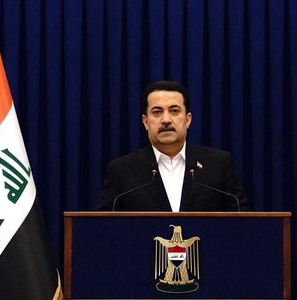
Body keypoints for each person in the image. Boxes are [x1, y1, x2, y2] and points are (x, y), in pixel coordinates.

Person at [97, 80, 248, 211]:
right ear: (146, 122)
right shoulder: (121, 170)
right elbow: (105, 227)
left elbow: (242, 220)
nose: (166, 120)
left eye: (174, 111)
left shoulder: (219, 164)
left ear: (188, 120)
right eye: (157, 112)